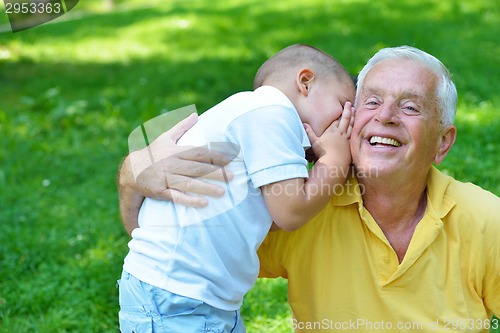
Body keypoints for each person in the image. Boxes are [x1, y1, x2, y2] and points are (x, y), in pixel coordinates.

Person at [118, 46, 500, 332]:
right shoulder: (304, 199)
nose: (385, 116)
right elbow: (175, 244)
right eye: (368, 102)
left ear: (443, 142)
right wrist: (132, 174)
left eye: (411, 107)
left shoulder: (486, 221)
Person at [118, 44, 356, 333]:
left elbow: (269, 219)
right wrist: (335, 159)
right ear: (305, 82)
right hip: (178, 296)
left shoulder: (254, 115)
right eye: (343, 106)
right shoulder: (272, 113)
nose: (346, 122)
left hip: (189, 292)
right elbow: (290, 213)